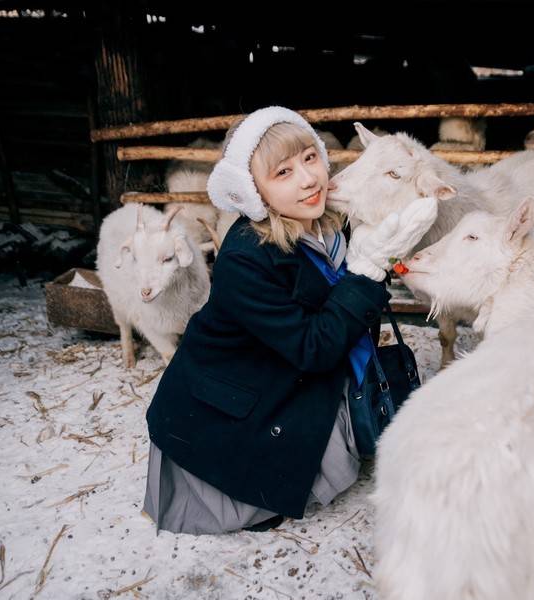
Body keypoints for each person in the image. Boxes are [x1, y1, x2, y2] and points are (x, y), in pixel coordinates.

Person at [143, 106, 437, 534]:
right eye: (283, 172)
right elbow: (313, 348)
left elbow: (343, 321)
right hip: (231, 409)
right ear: (253, 192)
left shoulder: (329, 226)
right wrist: (368, 269)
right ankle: (247, 490)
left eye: (310, 158)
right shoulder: (246, 258)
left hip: (279, 372)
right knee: (263, 487)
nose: (307, 178)